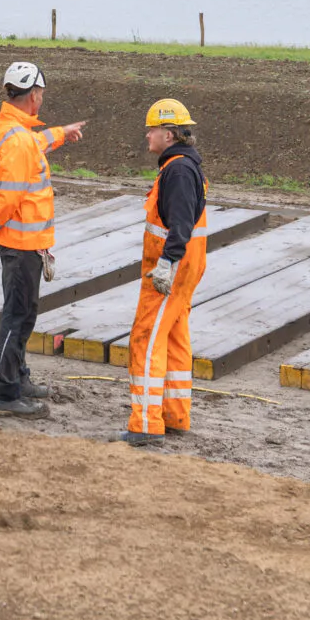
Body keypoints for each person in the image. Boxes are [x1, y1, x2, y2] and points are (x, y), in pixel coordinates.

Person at [0, 60, 84, 417]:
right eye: (41, 93)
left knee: (25, 313)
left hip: (23, 242)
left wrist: (61, 133)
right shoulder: (18, 139)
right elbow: (9, 194)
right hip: (20, 244)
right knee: (18, 315)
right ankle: (6, 392)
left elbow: (33, 143)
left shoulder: (11, 129)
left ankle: (18, 377)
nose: (42, 98)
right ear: (34, 96)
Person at [125, 96, 206, 446]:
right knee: (173, 339)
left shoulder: (178, 171)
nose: (147, 135)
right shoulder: (183, 166)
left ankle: (145, 423)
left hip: (169, 273)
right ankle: (175, 414)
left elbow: (181, 222)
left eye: (152, 130)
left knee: (145, 339)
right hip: (185, 269)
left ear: (168, 134)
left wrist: (166, 263)